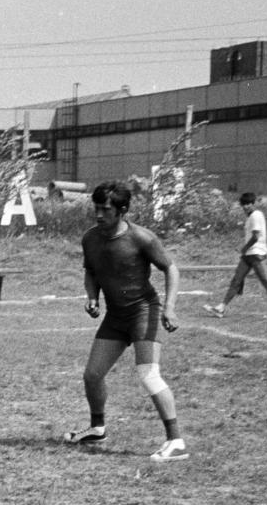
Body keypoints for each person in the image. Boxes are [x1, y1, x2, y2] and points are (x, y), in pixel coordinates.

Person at [67, 181, 188, 463]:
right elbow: (91, 272)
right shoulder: (90, 238)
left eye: (106, 209)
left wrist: (169, 308)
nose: (99, 215)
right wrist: (92, 297)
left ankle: (176, 441)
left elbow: (171, 268)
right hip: (116, 316)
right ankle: (97, 429)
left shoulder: (141, 238)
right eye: (96, 208)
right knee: (92, 375)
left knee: (148, 374)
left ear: (122, 210)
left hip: (143, 311)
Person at [204, 192, 267, 319]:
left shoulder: (256, 215)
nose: (246, 207)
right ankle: (221, 308)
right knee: (236, 280)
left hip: (256, 253)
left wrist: (245, 248)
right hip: (249, 254)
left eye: (249, 204)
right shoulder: (251, 217)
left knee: (265, 280)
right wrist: (245, 250)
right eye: (244, 204)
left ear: (254, 204)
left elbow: (256, 236)